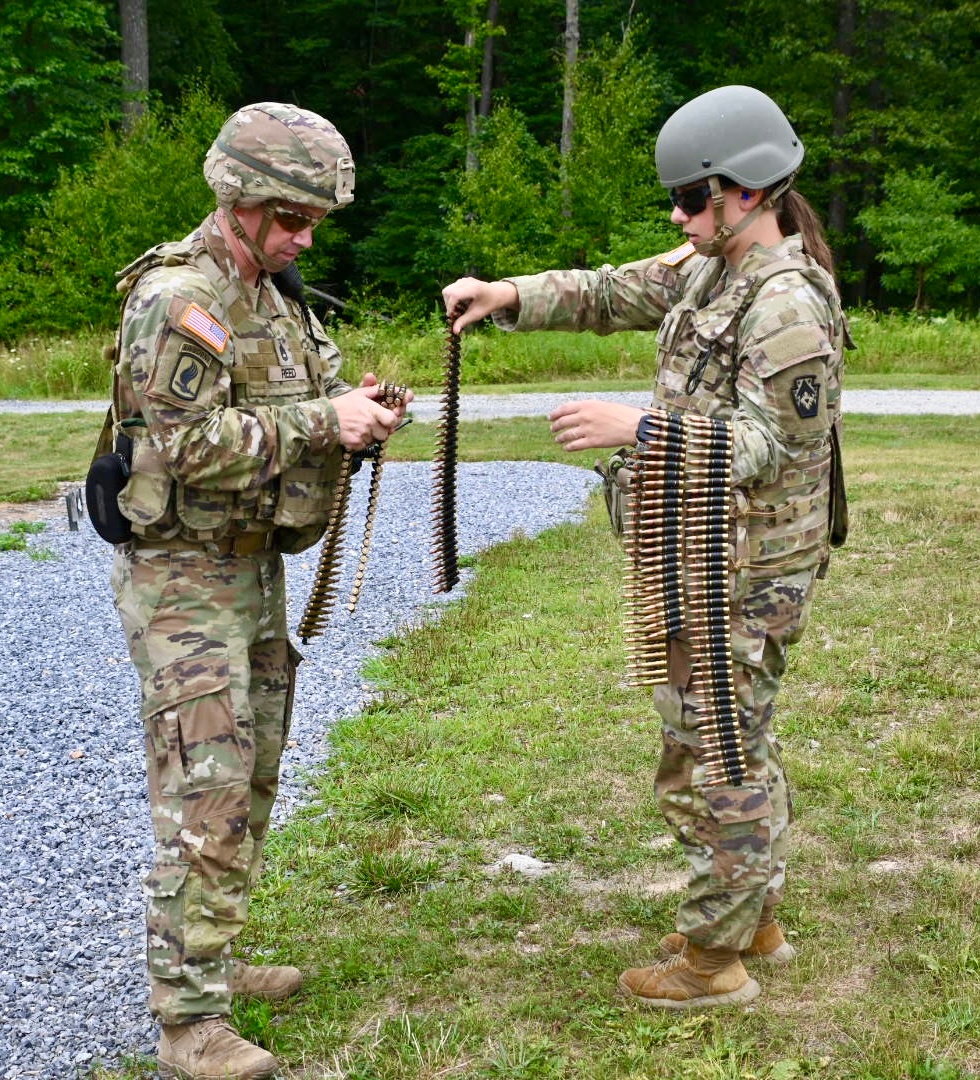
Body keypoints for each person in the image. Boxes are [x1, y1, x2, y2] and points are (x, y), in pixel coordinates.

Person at [442, 85, 848, 1010]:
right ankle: (755, 918)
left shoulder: (784, 304)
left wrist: (640, 426)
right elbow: (621, 286)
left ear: (746, 193)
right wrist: (508, 295)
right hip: (702, 554)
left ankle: (714, 960)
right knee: (727, 738)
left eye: (691, 196)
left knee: (718, 754)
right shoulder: (717, 263)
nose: (678, 214)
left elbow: (774, 446)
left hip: (744, 567)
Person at [104, 102, 412, 1079]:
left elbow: (292, 409)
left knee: (256, 774)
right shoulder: (179, 300)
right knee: (208, 789)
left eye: (312, 219)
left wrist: (357, 413)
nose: (303, 236)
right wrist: (328, 421)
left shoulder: (277, 301)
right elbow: (182, 447)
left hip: (253, 569)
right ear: (236, 198)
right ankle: (186, 1020)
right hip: (183, 575)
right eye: (288, 218)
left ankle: (215, 964)